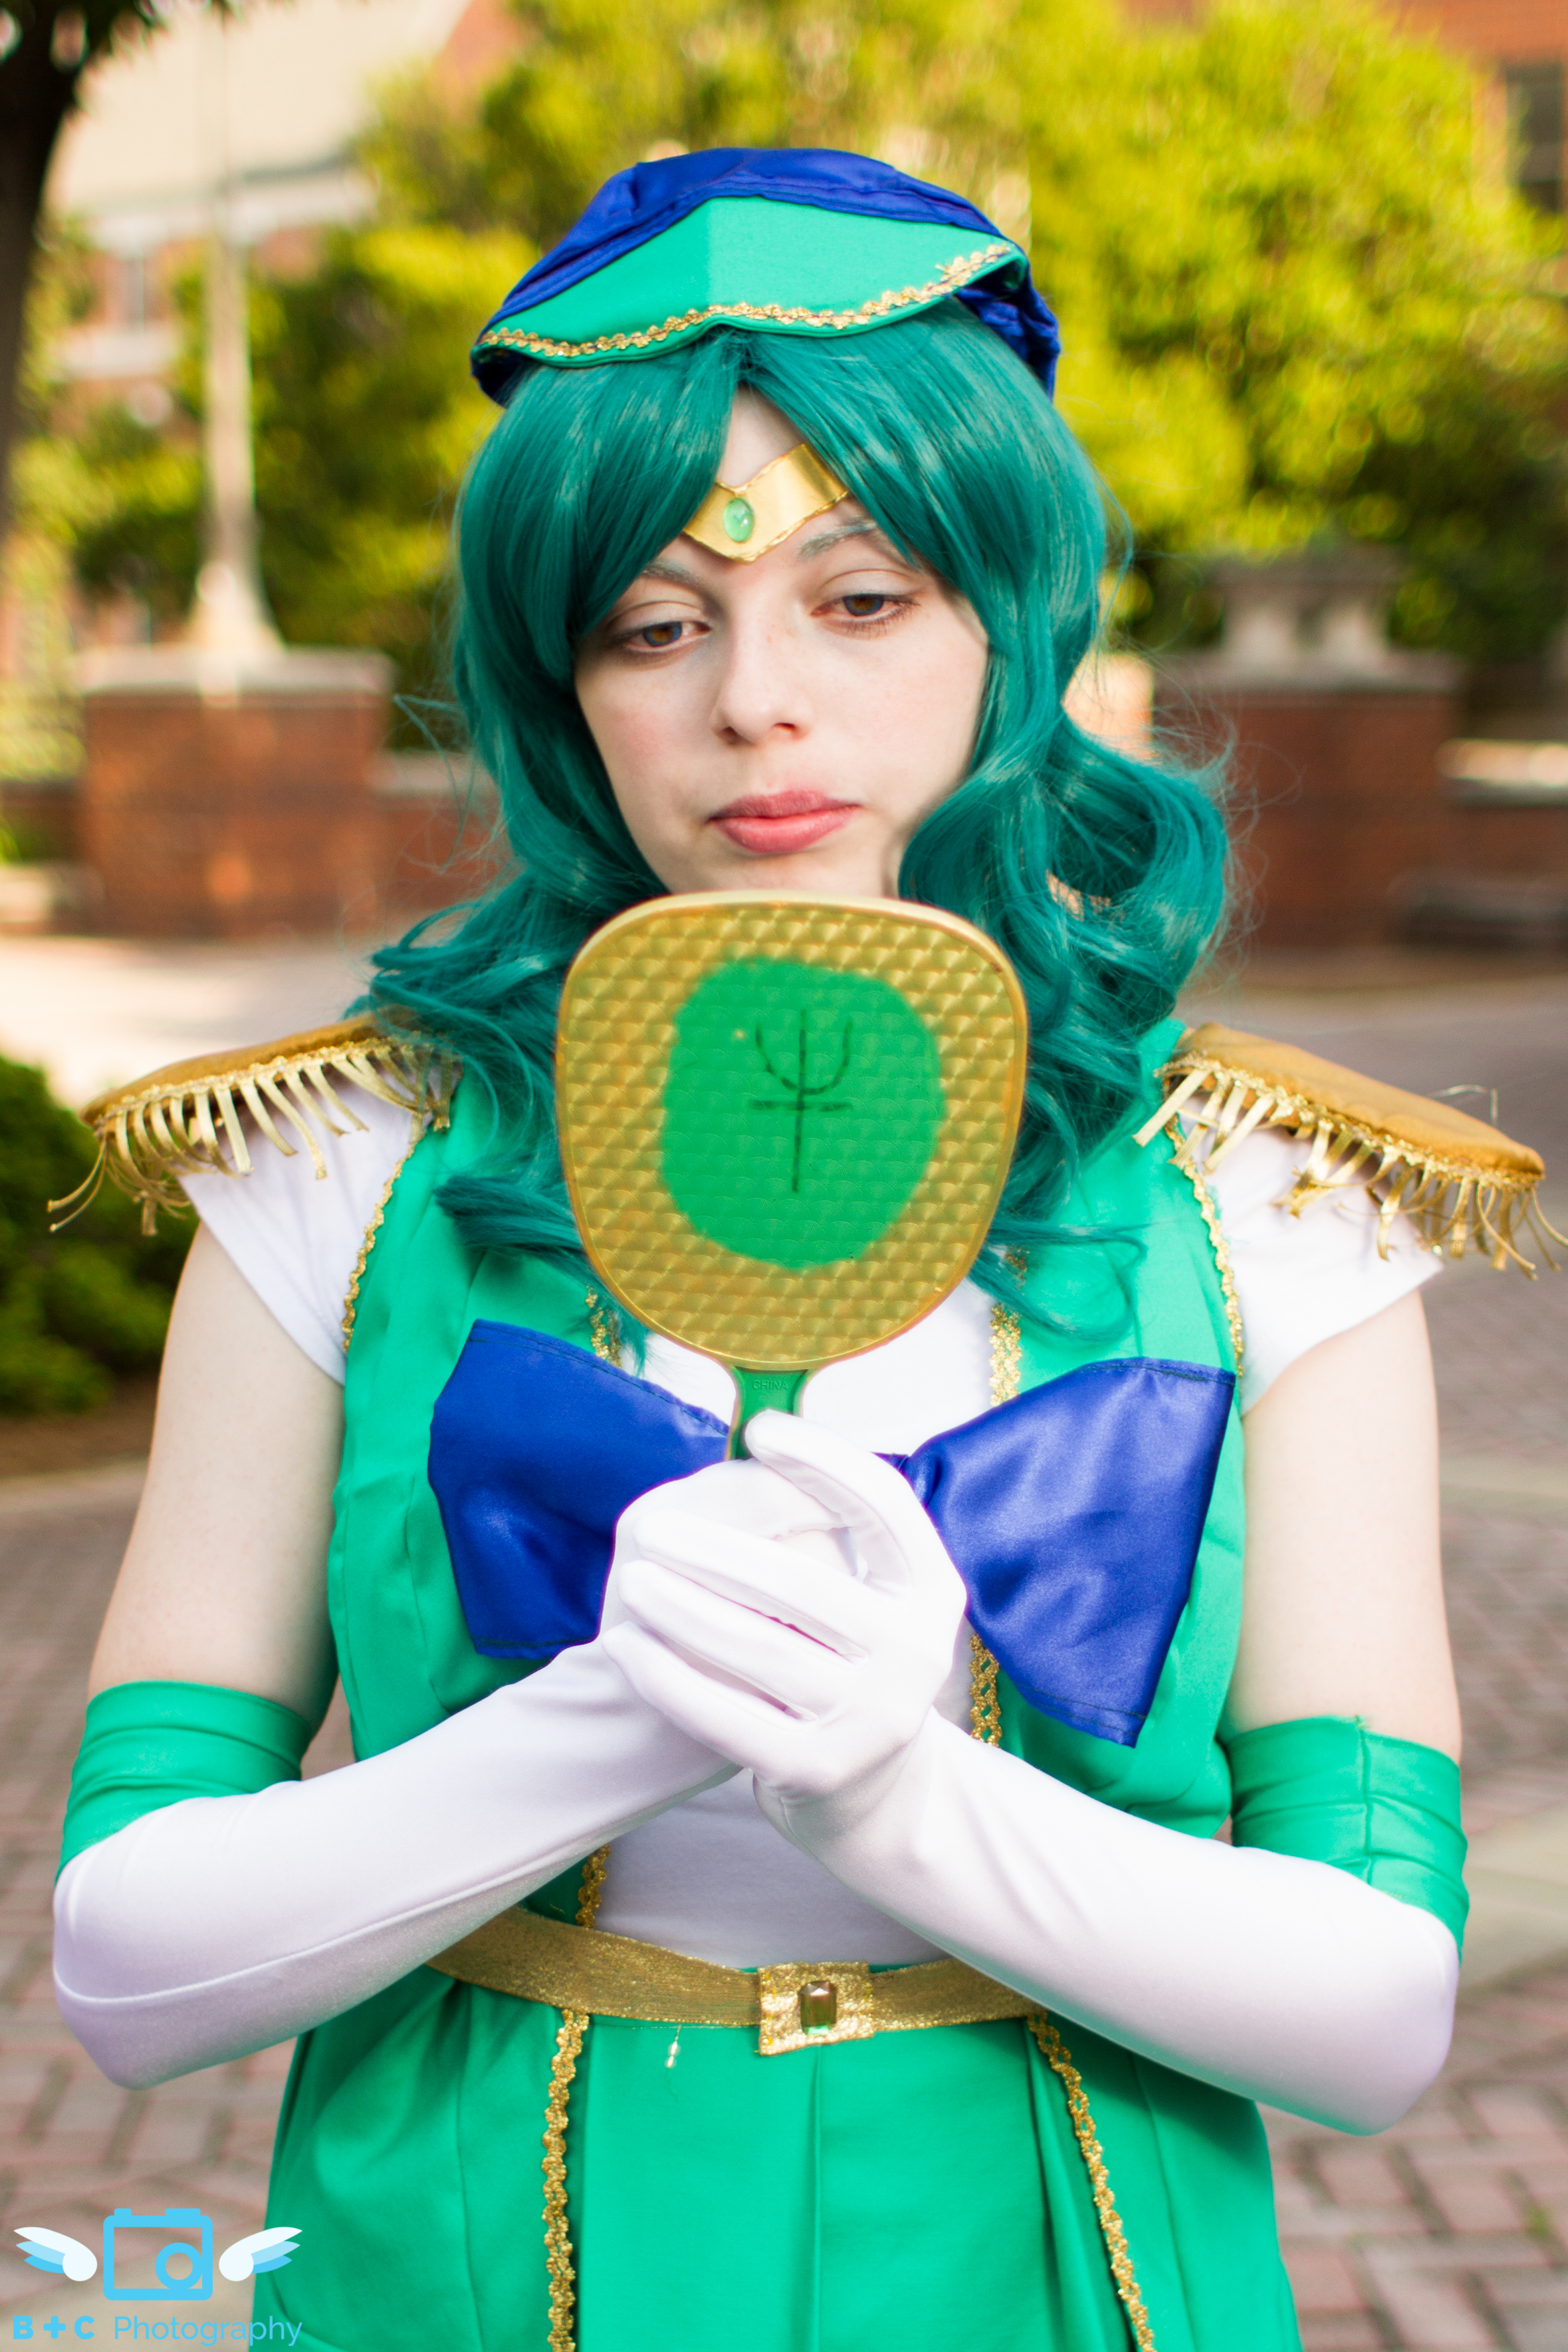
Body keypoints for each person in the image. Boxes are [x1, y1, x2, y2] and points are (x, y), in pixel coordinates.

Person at [50, 149, 1547, 2352]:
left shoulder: (1266, 1193)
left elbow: (1374, 2010)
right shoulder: (345, 1167)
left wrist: (899, 1791)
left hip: (1060, 2270)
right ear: (560, 680)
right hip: (465, 2275)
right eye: (657, 621)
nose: (758, 698)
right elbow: (122, 1962)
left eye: (863, 596)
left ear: (1008, 621)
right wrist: (604, 1716)